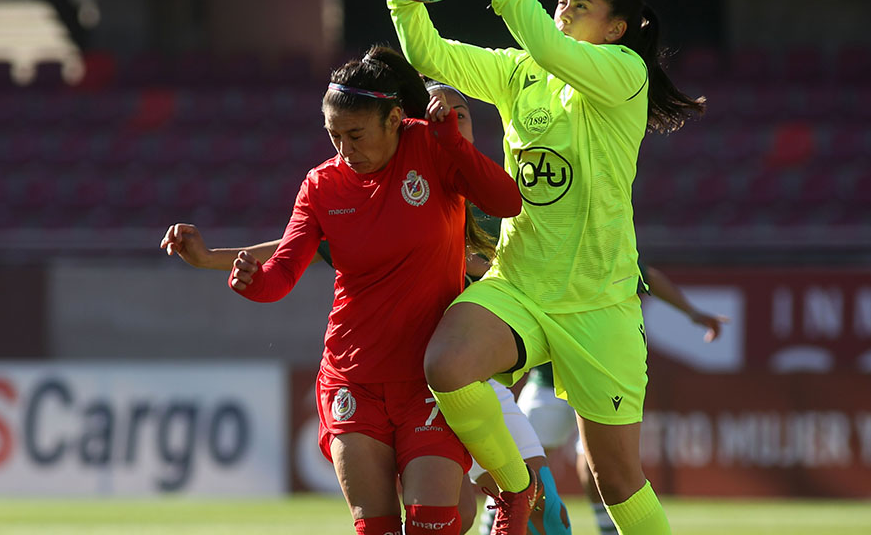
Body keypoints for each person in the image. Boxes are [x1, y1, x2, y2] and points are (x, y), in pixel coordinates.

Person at [363, 0, 706, 535]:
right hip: (520, 283)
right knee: (445, 365)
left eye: (581, 5)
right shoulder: (524, 71)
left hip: (600, 302)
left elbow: (546, 44)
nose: (564, 8)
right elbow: (433, 58)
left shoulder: (623, 74)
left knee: (617, 477)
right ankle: (518, 495)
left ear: (616, 30)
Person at [173, 81, 572, 535]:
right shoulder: (366, 188)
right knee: (437, 515)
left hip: (465, 378)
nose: (453, 121)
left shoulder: (478, 188)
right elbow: (295, 249)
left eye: (461, 113)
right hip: (395, 376)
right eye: (334, 135)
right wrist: (217, 261)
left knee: (532, 507)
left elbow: (542, 259)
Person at [518, 264, 729, 535]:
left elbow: (647, 275)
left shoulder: (606, 243)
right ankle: (495, 526)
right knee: (517, 466)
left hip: (601, 375)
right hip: (548, 377)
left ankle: (608, 531)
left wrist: (692, 313)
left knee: (601, 469)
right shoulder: (545, 241)